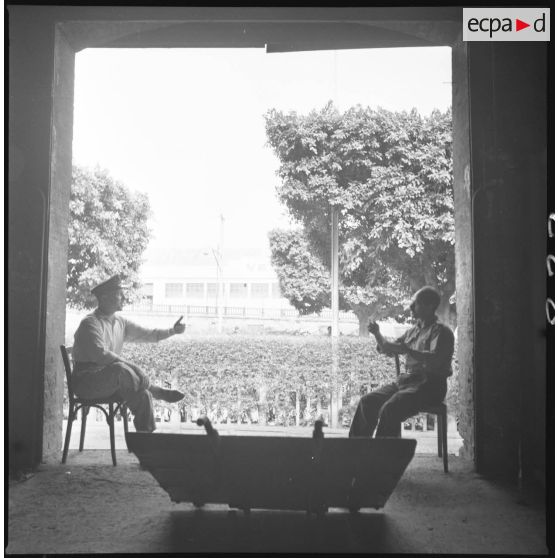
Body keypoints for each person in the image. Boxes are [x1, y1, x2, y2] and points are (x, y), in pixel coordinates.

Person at [72, 274, 186, 433]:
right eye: (119, 294)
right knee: (119, 369)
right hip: (86, 383)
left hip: (111, 381)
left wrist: (173, 331)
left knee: (143, 395)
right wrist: (138, 369)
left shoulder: (120, 322)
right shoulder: (90, 323)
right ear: (104, 298)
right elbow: (102, 356)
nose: (123, 298)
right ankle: (156, 390)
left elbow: (148, 334)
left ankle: (146, 443)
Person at [348, 286, 454, 438]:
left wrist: (408, 350)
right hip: (407, 383)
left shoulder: (442, 332)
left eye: (416, 303)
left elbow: (434, 359)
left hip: (430, 385)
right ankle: (356, 452)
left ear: (430, 306)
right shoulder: (412, 332)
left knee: (390, 408)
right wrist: (377, 333)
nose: (411, 307)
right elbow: (388, 349)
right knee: (368, 402)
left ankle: (383, 457)